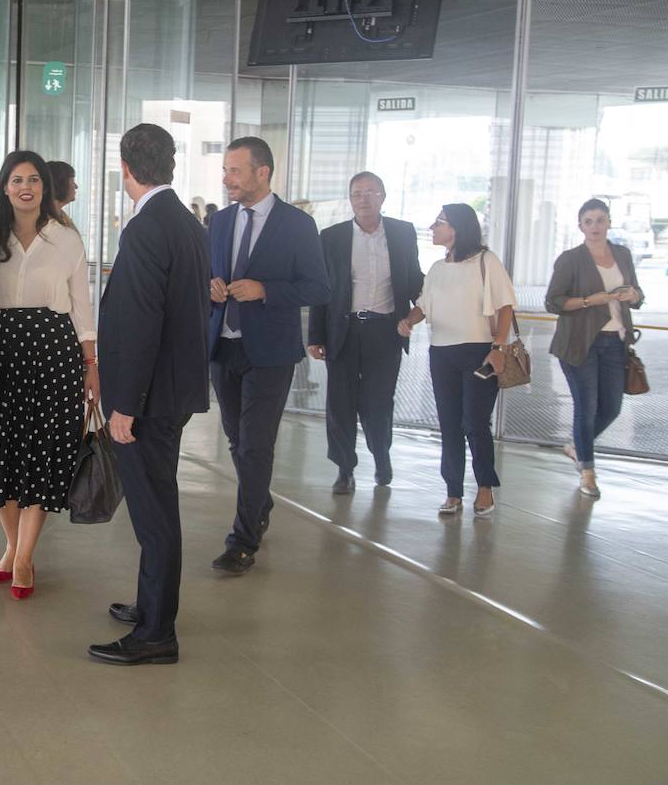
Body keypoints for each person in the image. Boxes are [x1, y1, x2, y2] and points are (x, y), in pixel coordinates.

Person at [88, 123, 209, 667]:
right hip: (173, 392)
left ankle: (157, 632)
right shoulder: (187, 223)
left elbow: (140, 323)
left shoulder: (145, 228)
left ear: (125, 168)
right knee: (157, 504)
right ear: (170, 164)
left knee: (154, 513)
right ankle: (151, 606)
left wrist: (125, 406)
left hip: (148, 399)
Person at [0, 150, 98, 600]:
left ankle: (23, 558)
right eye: (17, 180)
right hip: (1, 352)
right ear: (5, 187)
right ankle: (12, 546)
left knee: (43, 455)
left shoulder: (67, 239)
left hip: (55, 353)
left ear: (45, 187)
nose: (26, 187)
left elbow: (81, 307)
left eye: (34, 180)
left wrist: (91, 366)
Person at [206, 137, 329, 574]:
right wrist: (210, 285)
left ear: (263, 172)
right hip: (223, 346)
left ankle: (243, 541)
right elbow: (205, 272)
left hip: (271, 352)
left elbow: (319, 287)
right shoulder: (219, 221)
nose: (226, 179)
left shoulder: (297, 225)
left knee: (255, 444)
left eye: (235, 170)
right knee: (237, 441)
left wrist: (266, 290)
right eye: (225, 170)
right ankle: (260, 503)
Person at [307, 171, 424, 493]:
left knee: (378, 402)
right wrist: (315, 336)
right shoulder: (332, 237)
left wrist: (428, 303)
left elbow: (414, 278)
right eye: (357, 193)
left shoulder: (402, 233)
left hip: (385, 331)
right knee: (340, 403)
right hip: (343, 331)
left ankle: (381, 455)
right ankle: (344, 469)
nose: (364, 199)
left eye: (371, 192)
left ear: (383, 197)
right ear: (350, 199)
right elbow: (322, 289)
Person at [397, 204, 518, 517]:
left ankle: (485, 486)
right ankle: (453, 491)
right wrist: (409, 320)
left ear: (457, 228)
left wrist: (498, 346)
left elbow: (505, 305)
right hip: (442, 353)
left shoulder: (486, 261)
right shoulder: (437, 268)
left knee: (474, 423)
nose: (432, 227)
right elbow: (423, 304)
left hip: (479, 352)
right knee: (449, 424)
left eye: (439, 222)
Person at [544, 198, 644, 498]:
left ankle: (577, 446)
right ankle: (587, 471)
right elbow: (554, 302)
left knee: (611, 408)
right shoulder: (571, 259)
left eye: (600, 220)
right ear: (581, 226)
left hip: (616, 342)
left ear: (609, 222)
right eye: (589, 221)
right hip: (580, 342)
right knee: (586, 408)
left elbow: (638, 295)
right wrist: (590, 300)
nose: (595, 226)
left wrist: (633, 295)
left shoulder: (622, 254)